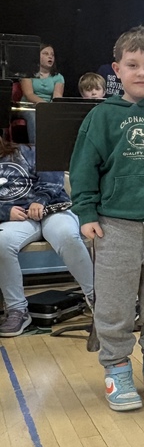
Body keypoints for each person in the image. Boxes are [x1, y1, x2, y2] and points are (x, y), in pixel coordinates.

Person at [69, 25, 144, 412]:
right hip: (114, 228)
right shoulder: (101, 117)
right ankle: (117, 369)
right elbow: (84, 168)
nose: (142, 72)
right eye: (133, 64)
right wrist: (86, 211)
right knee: (115, 305)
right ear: (116, 69)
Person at [0, 135, 94, 336]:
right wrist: (5, 211)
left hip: (52, 208)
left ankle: (97, 297)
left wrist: (41, 200)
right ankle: (17, 309)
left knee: (67, 235)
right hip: (16, 219)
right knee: (0, 243)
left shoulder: (28, 149)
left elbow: (53, 176)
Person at [19, 43, 65, 142]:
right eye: (45, 53)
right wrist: (45, 106)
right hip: (29, 107)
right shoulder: (27, 74)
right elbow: (29, 94)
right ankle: (36, 149)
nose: (50, 56)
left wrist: (50, 108)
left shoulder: (58, 77)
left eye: (52, 55)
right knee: (34, 116)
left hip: (48, 107)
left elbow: (57, 96)